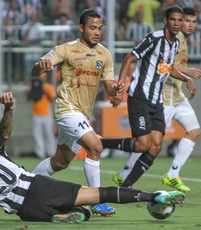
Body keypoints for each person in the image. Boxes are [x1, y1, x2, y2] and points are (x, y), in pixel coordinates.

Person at [0, 91, 185, 224]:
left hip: (24, 212)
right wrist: (9, 109)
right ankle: (154, 197)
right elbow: (5, 134)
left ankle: (66, 214)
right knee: (98, 195)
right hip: (36, 187)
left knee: (79, 213)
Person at [30, 9, 125, 216]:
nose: (97, 32)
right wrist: (41, 66)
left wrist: (115, 89)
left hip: (82, 114)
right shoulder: (65, 49)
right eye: (92, 28)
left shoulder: (104, 54)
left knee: (60, 162)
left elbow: (108, 88)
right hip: (67, 110)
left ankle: (26, 184)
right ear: (81, 28)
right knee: (95, 146)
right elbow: (35, 71)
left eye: (100, 28)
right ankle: (97, 199)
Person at [101, 6, 196, 188]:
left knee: (156, 146)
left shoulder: (175, 44)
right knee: (143, 145)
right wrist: (119, 90)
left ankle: (126, 185)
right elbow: (130, 58)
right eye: (173, 20)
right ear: (166, 21)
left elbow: (166, 68)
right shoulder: (154, 39)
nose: (177, 23)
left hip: (156, 101)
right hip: (140, 97)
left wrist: (186, 79)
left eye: (179, 20)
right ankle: (103, 143)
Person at [27, 73, 57, 158]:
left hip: (47, 114)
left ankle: (51, 153)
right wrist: (32, 89)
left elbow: (52, 98)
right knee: (37, 135)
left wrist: (43, 89)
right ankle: (40, 153)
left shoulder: (48, 87)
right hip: (36, 114)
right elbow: (28, 98)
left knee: (49, 134)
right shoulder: (34, 86)